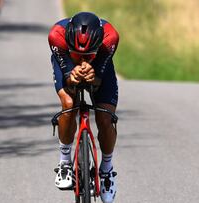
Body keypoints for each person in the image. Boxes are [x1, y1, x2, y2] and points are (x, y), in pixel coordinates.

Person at [48, 12, 119, 203]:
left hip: (100, 63)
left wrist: (95, 77)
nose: (83, 58)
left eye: (88, 54)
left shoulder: (110, 37)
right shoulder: (56, 35)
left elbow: (99, 79)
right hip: (66, 59)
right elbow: (68, 77)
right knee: (69, 105)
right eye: (80, 53)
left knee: (105, 118)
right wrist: (71, 75)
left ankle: (106, 169)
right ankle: (64, 162)